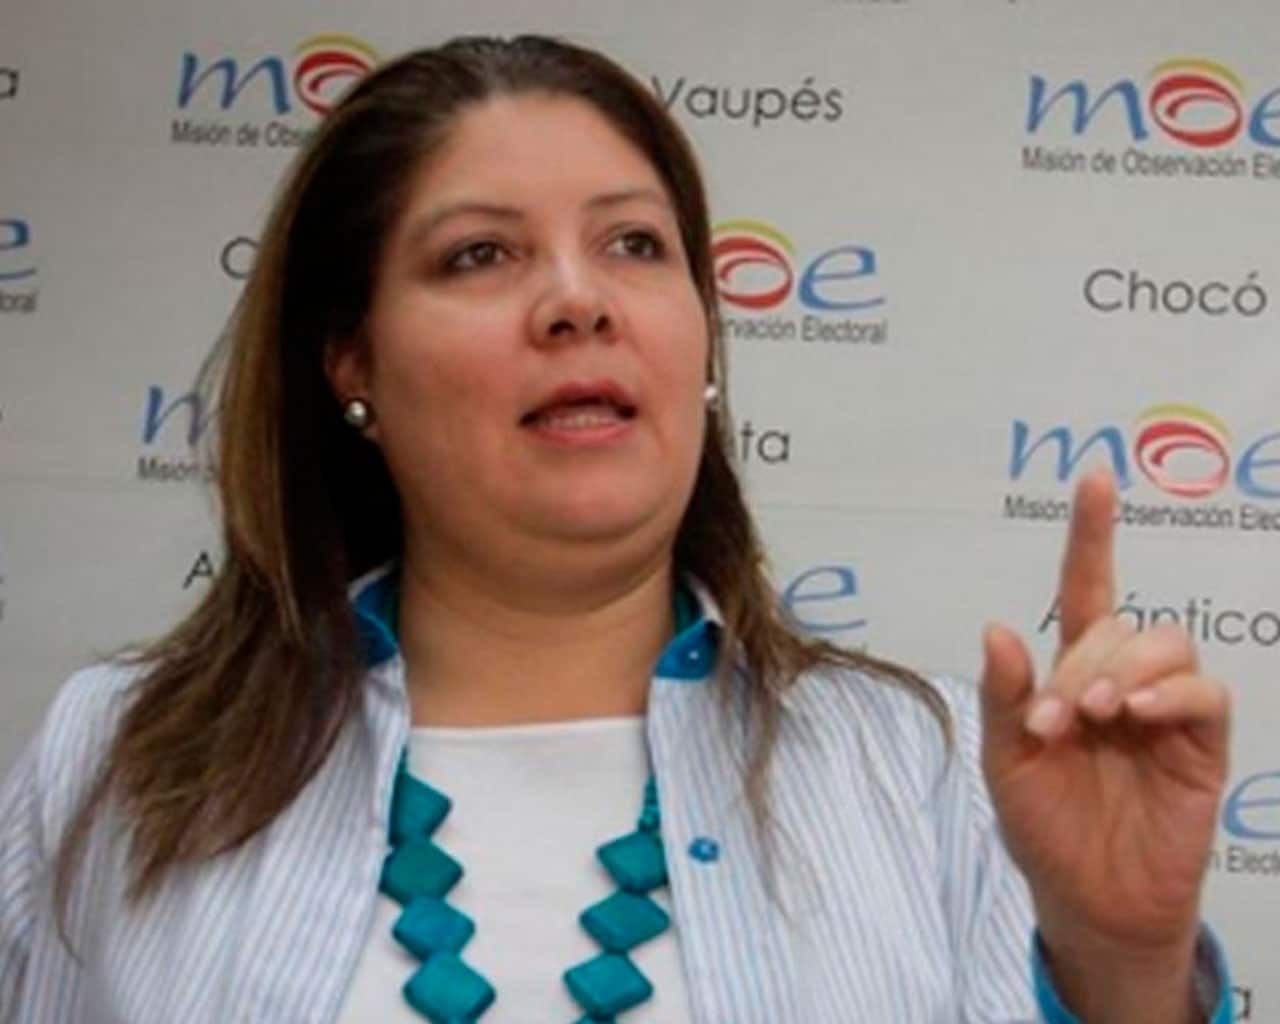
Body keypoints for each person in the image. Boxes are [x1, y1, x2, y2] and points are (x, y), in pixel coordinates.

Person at [0, 35, 1232, 1023]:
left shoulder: (929, 773)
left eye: (634, 244)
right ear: (351, 360)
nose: (576, 299)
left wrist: (1123, 970)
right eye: (479, 254)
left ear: (702, 336)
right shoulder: (116, 764)